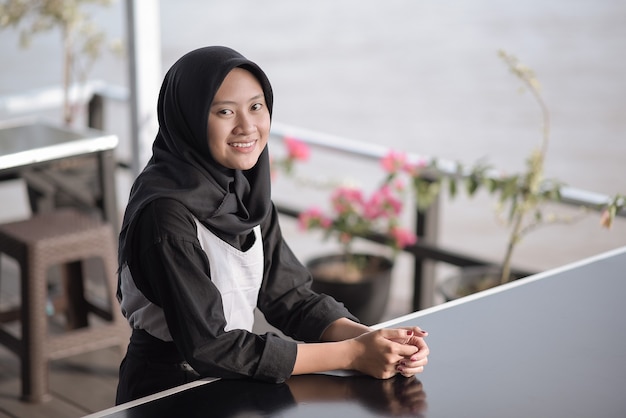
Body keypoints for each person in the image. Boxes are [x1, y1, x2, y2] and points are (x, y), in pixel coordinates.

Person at [115, 46, 429, 404]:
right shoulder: (165, 216)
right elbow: (210, 346)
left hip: (238, 382)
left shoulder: (246, 194)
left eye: (256, 106)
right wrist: (353, 354)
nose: (247, 126)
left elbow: (288, 296)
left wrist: (374, 340)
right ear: (189, 117)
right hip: (168, 393)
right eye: (224, 111)